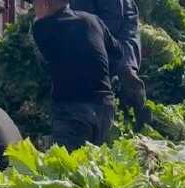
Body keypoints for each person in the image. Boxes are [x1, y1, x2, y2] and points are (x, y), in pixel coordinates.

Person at [33, 0, 123, 150]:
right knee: (93, 165)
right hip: (104, 107)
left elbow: (43, 65)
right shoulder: (93, 20)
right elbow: (118, 53)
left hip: (73, 111)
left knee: (67, 169)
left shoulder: (42, 27)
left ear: (44, 4)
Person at [69, 0, 150, 128]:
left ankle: (140, 116)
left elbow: (110, 22)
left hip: (119, 25)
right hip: (91, 22)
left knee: (125, 72)